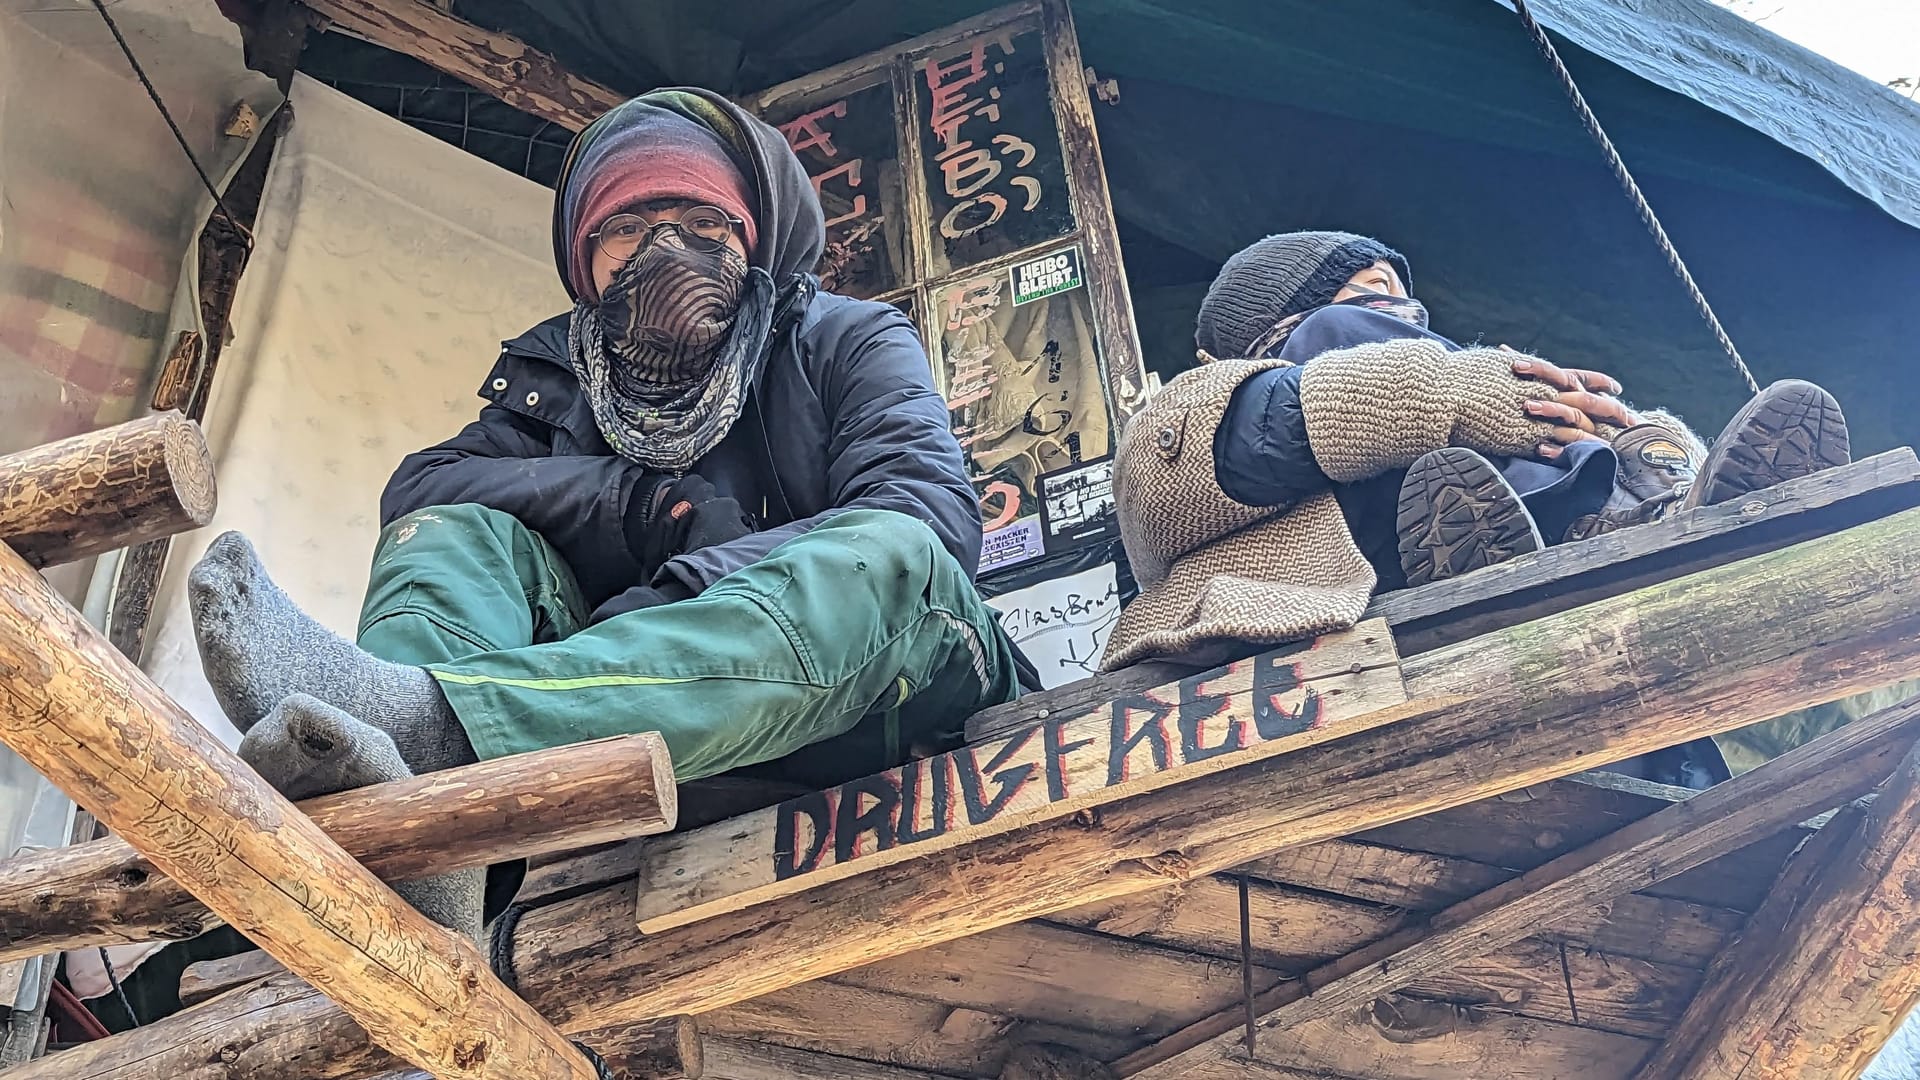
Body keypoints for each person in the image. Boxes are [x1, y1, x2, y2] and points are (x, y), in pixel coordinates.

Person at [187, 89, 1022, 939]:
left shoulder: (848, 339)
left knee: (884, 550)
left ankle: (429, 735)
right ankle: (432, 873)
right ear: (586, 261)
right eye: (627, 227)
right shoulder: (560, 381)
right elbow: (422, 491)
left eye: (703, 218)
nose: (667, 248)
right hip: (640, 753)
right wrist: (643, 504)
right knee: (459, 536)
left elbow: (928, 521)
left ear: (753, 232)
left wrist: (671, 597)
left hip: (888, 697)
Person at [1101, 231, 1850, 734]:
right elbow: (1218, 458)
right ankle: (1578, 525)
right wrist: (1457, 392)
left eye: (1405, 305)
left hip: (1558, 652)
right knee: (1376, 382)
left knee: (1616, 444)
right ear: (1277, 319)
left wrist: (1637, 435)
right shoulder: (1187, 411)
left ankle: (1645, 510)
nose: (1400, 317)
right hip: (1338, 608)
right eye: (1369, 297)